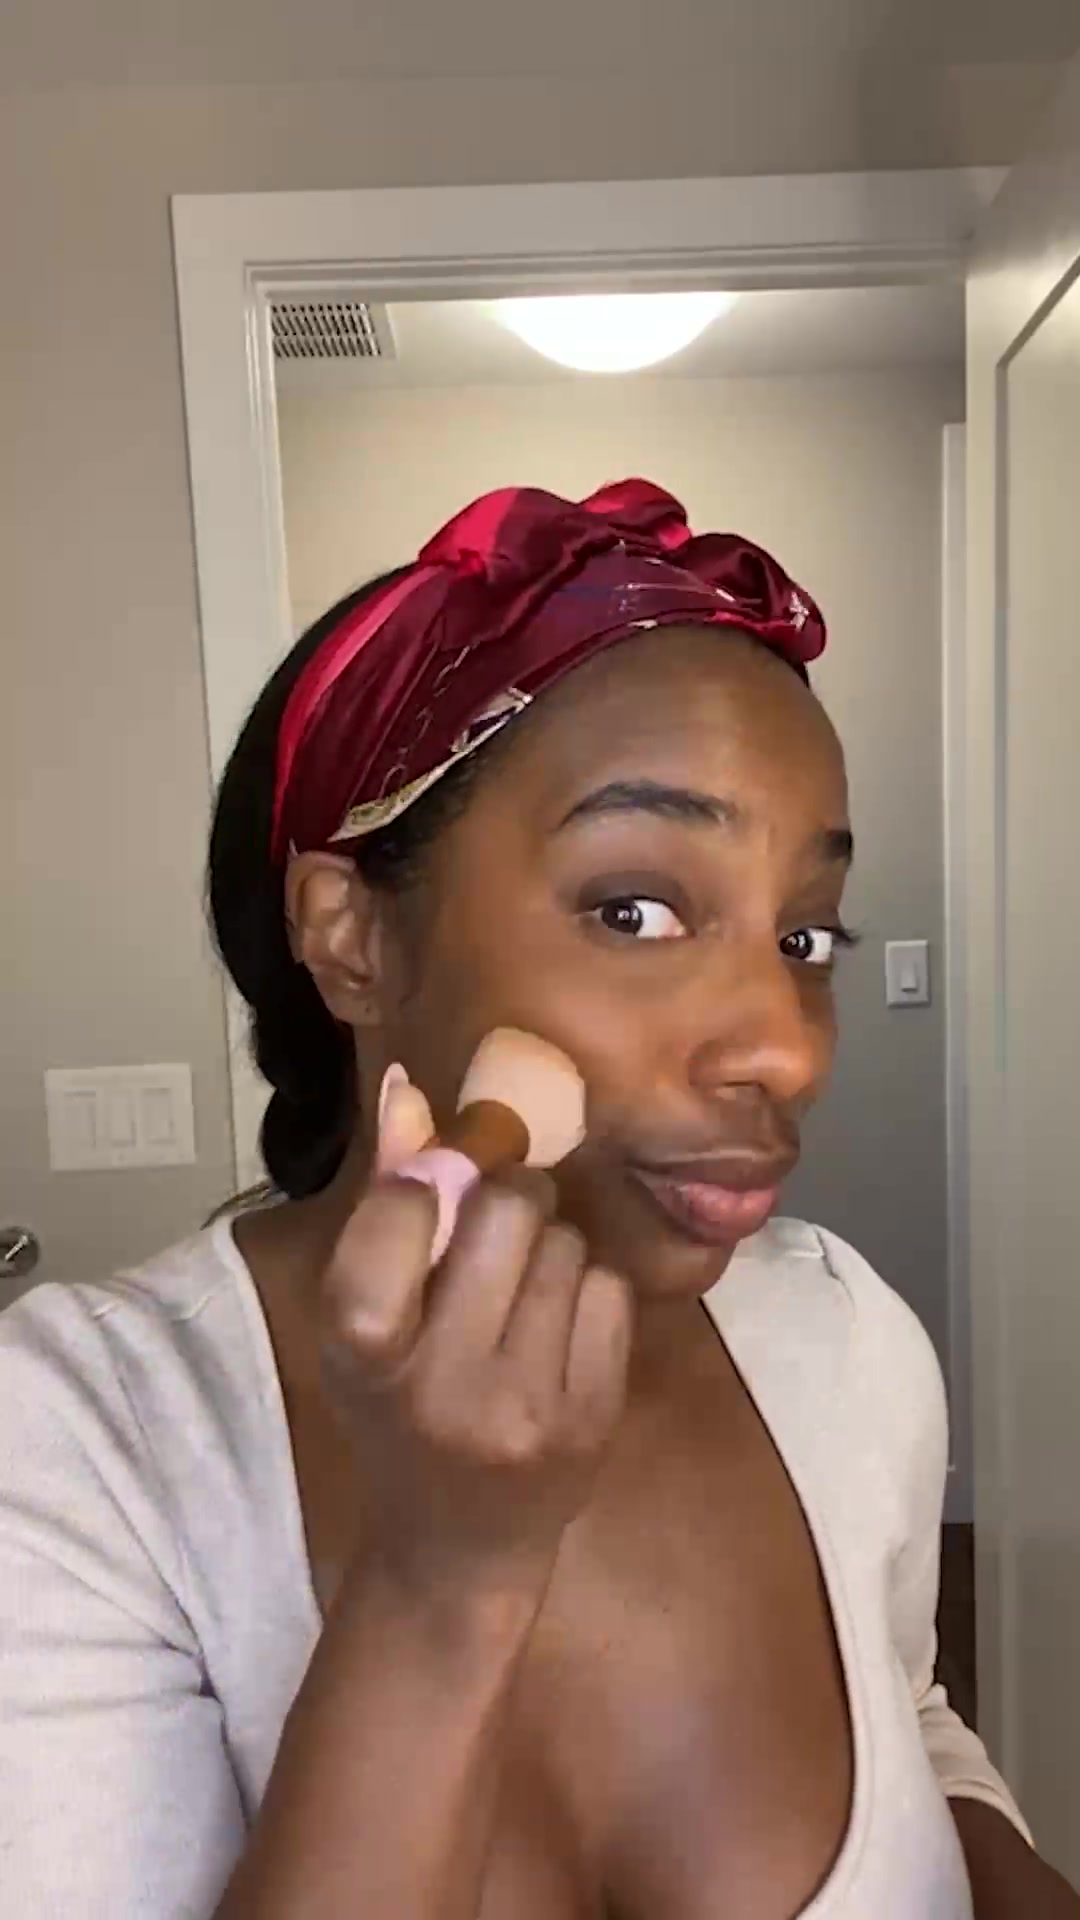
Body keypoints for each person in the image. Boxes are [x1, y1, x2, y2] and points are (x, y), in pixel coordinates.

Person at [0, 480, 1075, 1920]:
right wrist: (447, 1579)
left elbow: (914, 1715)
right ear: (353, 938)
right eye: (634, 909)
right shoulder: (76, 1443)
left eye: (806, 935)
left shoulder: (841, 1333)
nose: (788, 1047)